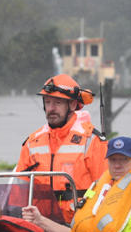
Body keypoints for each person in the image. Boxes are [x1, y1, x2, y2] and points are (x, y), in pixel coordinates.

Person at [14, 74, 108, 223]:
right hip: (39, 228)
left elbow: (106, 190)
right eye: (48, 102)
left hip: (79, 228)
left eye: (57, 103)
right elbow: (18, 194)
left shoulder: (92, 140)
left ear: (72, 105)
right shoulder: (31, 142)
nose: (51, 108)